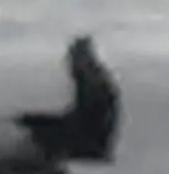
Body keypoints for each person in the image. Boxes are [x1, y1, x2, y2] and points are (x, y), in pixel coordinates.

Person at [17, 35, 119, 165]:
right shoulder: (93, 79)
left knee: (35, 131)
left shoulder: (94, 83)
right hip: (87, 136)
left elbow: (90, 122)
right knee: (31, 123)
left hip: (87, 142)